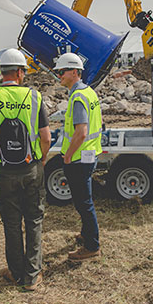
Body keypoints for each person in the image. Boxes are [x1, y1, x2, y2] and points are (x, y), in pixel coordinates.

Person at [0, 48, 51, 291]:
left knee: (11, 222)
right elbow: (45, 138)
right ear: (20, 72)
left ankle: (16, 273)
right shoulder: (35, 97)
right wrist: (41, 159)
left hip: (4, 170)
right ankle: (32, 275)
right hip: (31, 168)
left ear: (1, 72)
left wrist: (0, 146)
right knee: (34, 220)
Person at [54, 53, 103, 262]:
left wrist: (67, 157)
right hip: (90, 155)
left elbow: (81, 132)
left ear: (75, 72)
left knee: (84, 203)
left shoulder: (78, 97)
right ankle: (86, 233)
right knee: (85, 200)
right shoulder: (88, 92)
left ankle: (92, 246)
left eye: (62, 72)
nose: (59, 76)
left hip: (79, 159)